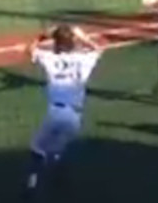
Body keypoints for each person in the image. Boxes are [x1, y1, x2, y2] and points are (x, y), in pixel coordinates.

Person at [23, 24, 102, 200]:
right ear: (73, 42)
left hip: (55, 113)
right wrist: (82, 37)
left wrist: (42, 36)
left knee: (37, 149)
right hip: (75, 118)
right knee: (57, 148)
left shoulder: (48, 57)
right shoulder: (84, 59)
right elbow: (98, 49)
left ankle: (32, 188)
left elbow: (29, 51)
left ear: (56, 43)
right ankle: (60, 178)